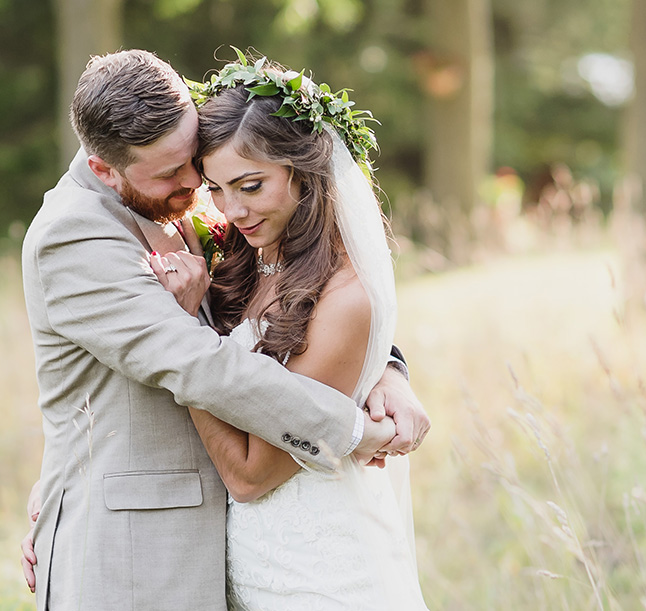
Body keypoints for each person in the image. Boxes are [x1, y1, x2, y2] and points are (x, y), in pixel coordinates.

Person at [20, 49, 428, 610]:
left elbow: (295, 318)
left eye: (195, 163)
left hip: (251, 545)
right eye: (172, 173)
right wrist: (351, 429)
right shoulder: (76, 237)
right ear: (104, 170)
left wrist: (384, 369)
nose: (197, 188)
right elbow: (197, 361)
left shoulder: (193, 203)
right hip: (134, 553)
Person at [152, 56, 429, 609]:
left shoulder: (344, 296)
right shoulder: (240, 251)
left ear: (303, 170)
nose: (233, 209)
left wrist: (182, 335)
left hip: (322, 573)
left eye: (251, 186)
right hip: (244, 565)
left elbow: (253, 476)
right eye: (217, 189)